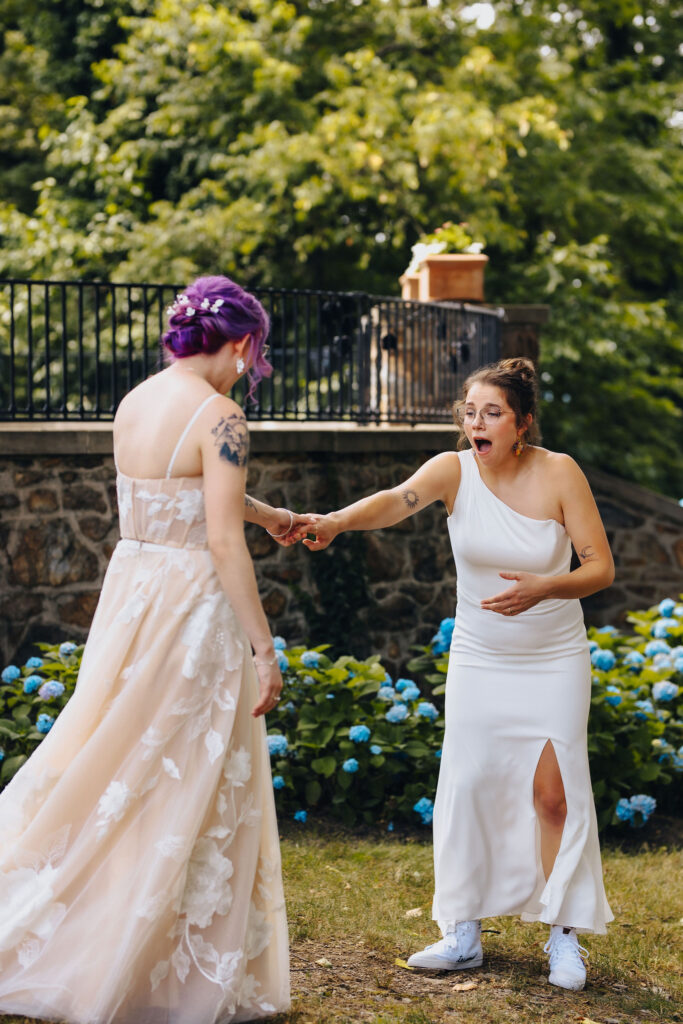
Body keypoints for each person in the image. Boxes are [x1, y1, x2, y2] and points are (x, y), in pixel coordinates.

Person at [0, 275, 310, 1023]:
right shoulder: (221, 416)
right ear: (238, 342)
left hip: (134, 589)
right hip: (190, 608)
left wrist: (267, 512)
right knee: (180, 771)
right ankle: (151, 962)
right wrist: (263, 648)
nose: (247, 371)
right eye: (251, 356)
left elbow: (171, 495)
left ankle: (114, 934)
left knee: (112, 756)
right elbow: (218, 536)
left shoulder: (135, 400)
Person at [303, 357, 614, 991]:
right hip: (480, 654)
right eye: (469, 413)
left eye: (492, 413)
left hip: (553, 656)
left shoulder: (560, 473)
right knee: (468, 783)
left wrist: (546, 588)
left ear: (521, 423)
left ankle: (562, 935)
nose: (477, 423)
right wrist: (335, 522)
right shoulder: (454, 470)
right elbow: (395, 502)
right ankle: (462, 931)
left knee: (552, 797)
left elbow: (599, 568)